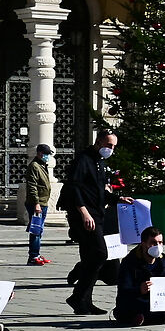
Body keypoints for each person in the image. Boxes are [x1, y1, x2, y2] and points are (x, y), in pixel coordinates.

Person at [60, 129, 120, 315]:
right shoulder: (83, 159)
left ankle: (84, 301)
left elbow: (99, 192)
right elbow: (74, 188)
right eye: (109, 145)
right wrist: (84, 212)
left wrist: (118, 199)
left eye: (114, 146)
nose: (111, 149)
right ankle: (78, 295)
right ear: (99, 142)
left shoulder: (99, 162)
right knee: (100, 254)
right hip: (84, 216)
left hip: (97, 214)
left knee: (89, 257)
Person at [115, 226, 165, 327]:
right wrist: (140, 289)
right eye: (153, 243)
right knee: (127, 308)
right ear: (143, 244)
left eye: (160, 242)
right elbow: (123, 290)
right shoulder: (129, 262)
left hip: (158, 303)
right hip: (137, 300)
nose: (157, 246)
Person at [22, 144, 56, 265]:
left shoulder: (42, 165)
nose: (48, 157)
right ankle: (33, 256)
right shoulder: (34, 166)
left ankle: (36, 253)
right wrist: (36, 203)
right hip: (37, 203)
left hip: (42, 202)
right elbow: (32, 186)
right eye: (46, 154)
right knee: (36, 230)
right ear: (40, 153)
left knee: (39, 230)